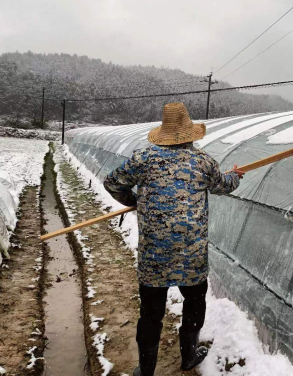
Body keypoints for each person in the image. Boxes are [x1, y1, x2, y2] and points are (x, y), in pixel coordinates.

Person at [103, 102, 244, 375]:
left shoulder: (143, 158)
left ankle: (146, 370)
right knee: (194, 302)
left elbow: (113, 183)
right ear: (190, 134)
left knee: (151, 313)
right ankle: (189, 356)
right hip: (191, 253)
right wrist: (235, 176)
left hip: (154, 254)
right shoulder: (203, 162)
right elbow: (223, 185)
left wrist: (134, 201)